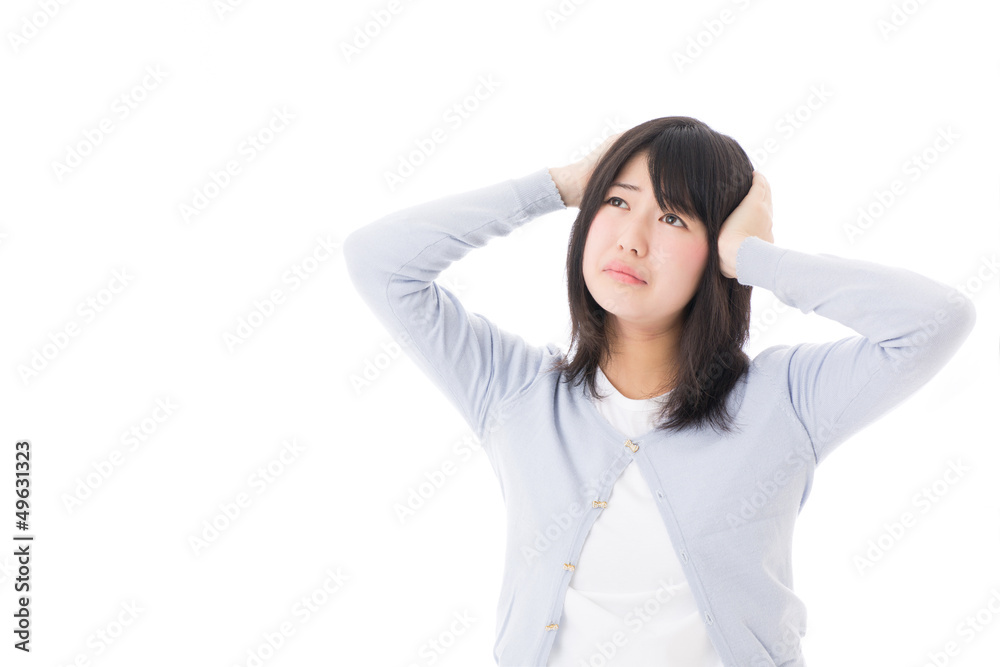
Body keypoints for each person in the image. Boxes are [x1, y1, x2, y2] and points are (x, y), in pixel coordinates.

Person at [343, 116, 977, 666]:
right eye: (616, 202)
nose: (631, 237)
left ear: (716, 251)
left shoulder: (783, 402)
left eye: (673, 216)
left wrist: (752, 257)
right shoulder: (516, 392)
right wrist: (560, 186)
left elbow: (935, 321)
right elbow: (378, 261)